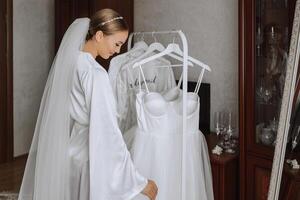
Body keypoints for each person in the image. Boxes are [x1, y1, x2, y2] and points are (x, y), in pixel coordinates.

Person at [18, 8, 157, 200]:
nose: (117, 51)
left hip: (72, 150)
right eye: (117, 43)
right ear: (99, 35)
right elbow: (108, 131)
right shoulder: (95, 73)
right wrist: (139, 182)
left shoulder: (71, 62)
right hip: (90, 154)